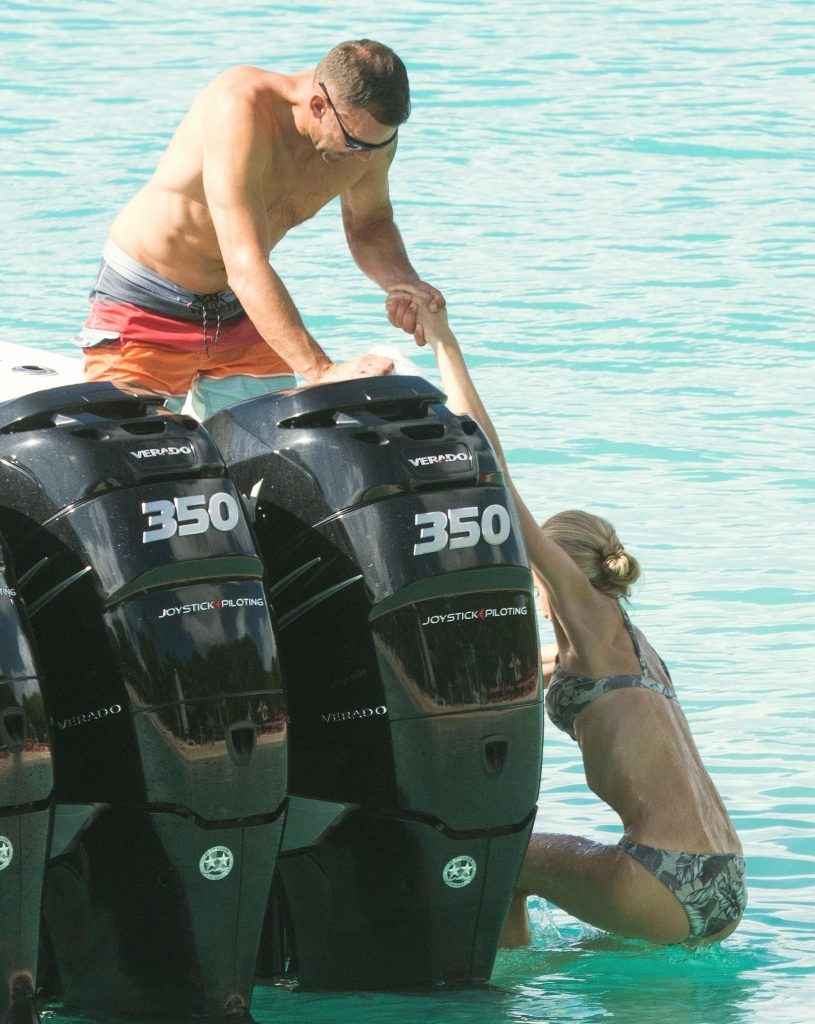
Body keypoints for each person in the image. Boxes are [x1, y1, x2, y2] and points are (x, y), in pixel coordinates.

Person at [387, 284, 747, 946]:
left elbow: (494, 473)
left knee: (503, 859)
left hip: (665, 876)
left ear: (557, 570)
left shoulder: (588, 615)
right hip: (722, 878)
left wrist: (445, 344)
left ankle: (501, 987)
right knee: (597, 950)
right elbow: (543, 674)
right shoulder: (625, 646)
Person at [78, 40, 443, 419]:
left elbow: (370, 224)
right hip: (148, 303)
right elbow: (244, 263)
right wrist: (322, 371)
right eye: (355, 143)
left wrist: (404, 284)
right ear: (319, 105)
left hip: (242, 310)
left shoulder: (369, 136)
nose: (366, 157)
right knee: (134, 446)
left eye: (379, 144)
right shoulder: (240, 106)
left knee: (278, 445)